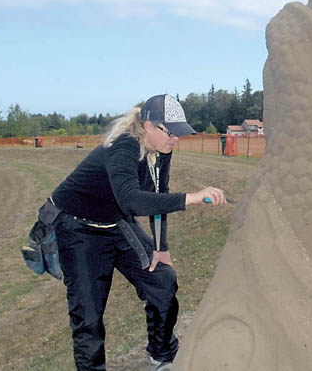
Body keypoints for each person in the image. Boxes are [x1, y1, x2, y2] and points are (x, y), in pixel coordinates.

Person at [51, 94, 227, 371]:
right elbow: (132, 200)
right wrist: (192, 197)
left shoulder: (161, 151)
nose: (176, 139)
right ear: (148, 126)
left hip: (116, 223)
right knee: (88, 314)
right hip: (79, 229)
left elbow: (158, 194)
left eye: (179, 133)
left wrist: (160, 247)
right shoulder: (123, 148)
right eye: (171, 133)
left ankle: (162, 355)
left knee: (162, 280)